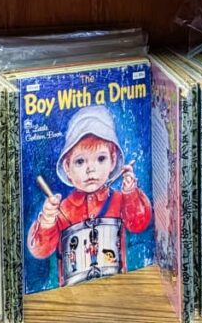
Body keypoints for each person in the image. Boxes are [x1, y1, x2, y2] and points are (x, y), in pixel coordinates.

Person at [27, 105, 152, 283]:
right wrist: (47, 220)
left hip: (116, 285)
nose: (90, 169)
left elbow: (139, 223)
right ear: (67, 168)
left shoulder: (119, 200)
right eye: (80, 161)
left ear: (113, 161)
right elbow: (40, 250)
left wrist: (131, 193)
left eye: (101, 159)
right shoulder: (62, 210)